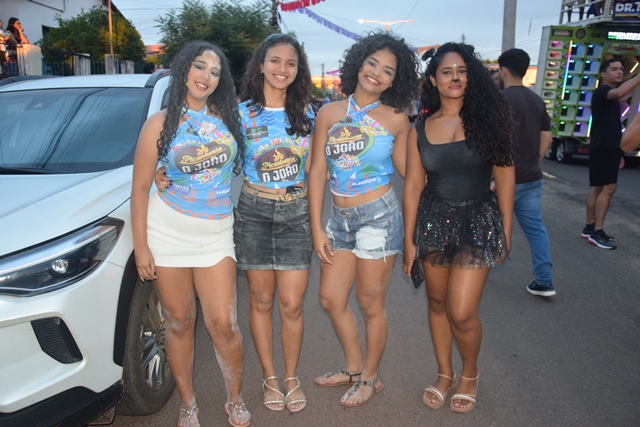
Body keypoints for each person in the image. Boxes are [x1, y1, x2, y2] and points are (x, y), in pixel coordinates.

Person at [131, 40, 250, 427]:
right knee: (179, 321)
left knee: (224, 324)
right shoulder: (159, 124)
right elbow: (139, 188)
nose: (206, 76)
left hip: (216, 235)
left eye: (215, 72)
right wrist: (141, 247)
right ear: (184, 70)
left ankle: (234, 398)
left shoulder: (228, 118)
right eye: (200, 67)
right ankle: (188, 405)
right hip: (167, 233)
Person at [308, 31, 419, 407]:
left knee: (371, 303)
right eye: (372, 63)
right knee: (330, 298)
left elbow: (409, 175)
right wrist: (317, 227)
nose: (377, 73)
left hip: (379, 218)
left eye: (388, 70)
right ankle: (354, 368)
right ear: (358, 64)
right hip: (339, 219)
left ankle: (371, 378)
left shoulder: (397, 119)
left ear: (395, 81)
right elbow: (317, 173)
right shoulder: (329, 113)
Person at [403, 42, 514, 414]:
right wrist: (409, 240)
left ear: (471, 78)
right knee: (436, 302)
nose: (455, 77)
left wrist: (506, 230)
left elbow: (505, 177)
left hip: (477, 221)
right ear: (434, 79)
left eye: (462, 71)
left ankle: (469, 373)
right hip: (433, 222)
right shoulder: (419, 128)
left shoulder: (489, 121)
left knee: (462, 311)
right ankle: (445, 373)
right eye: (447, 72)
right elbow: (413, 186)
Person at [234, 33, 314, 413]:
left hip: (295, 213)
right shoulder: (240, 114)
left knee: (292, 304)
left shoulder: (308, 115)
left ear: (298, 70)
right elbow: (209, 154)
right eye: (275, 61)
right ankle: (269, 376)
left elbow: (320, 170)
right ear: (262, 65)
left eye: (290, 63)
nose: (283, 69)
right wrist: (163, 173)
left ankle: (292, 376)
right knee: (262, 300)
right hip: (253, 212)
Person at [498, 48, 555, 297]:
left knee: (485, 224)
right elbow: (547, 138)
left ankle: (472, 273)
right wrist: (533, 160)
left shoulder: (500, 99)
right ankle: (544, 280)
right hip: (531, 177)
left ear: (503, 70)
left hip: (502, 179)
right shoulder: (537, 100)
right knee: (536, 229)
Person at [582, 58, 640, 249]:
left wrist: (619, 152)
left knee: (598, 188)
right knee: (608, 189)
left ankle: (590, 228)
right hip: (604, 147)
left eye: (621, 69)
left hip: (607, 147)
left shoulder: (612, 97)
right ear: (603, 74)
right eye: (614, 69)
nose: (619, 72)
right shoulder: (603, 92)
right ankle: (597, 232)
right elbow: (621, 92)